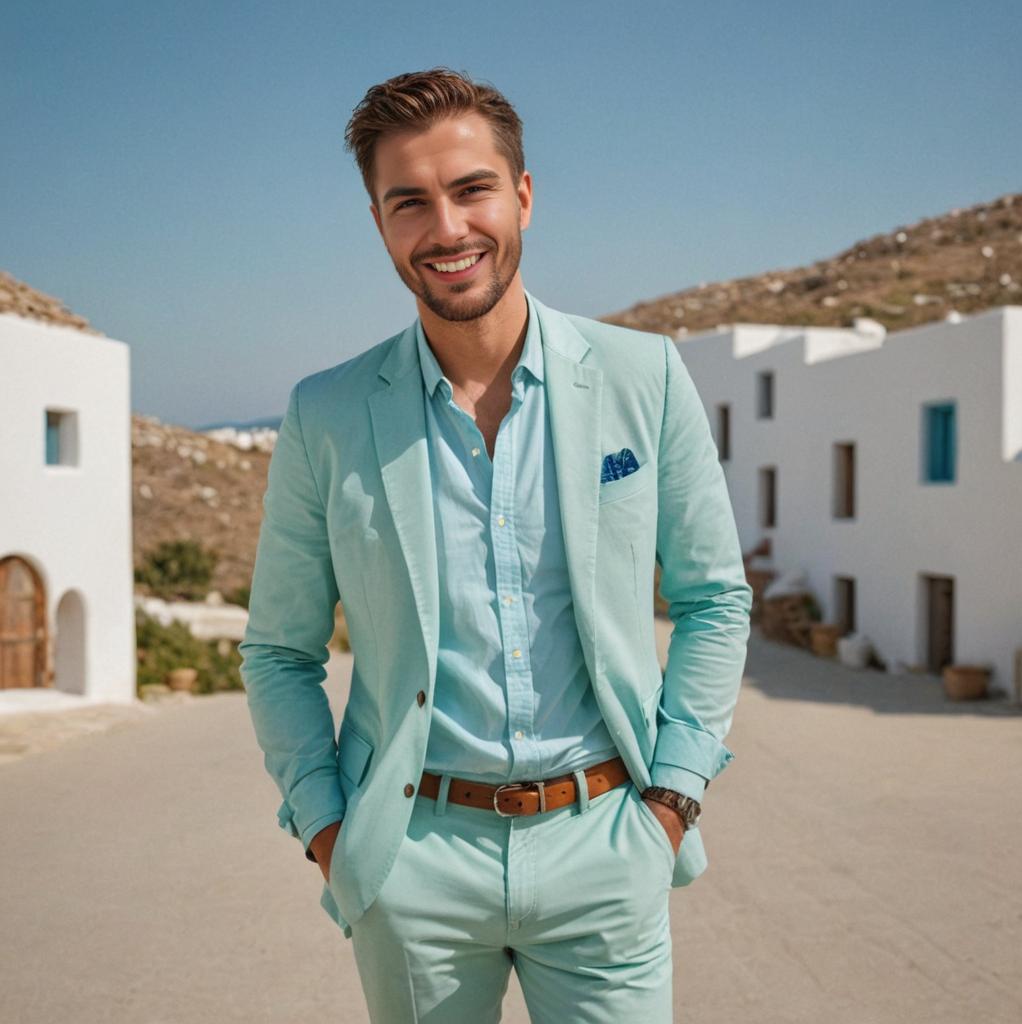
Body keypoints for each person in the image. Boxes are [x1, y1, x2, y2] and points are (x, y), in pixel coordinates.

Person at [239, 67, 752, 1023]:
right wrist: (328, 831)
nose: (446, 229)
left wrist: (672, 799)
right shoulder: (328, 413)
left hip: (608, 843)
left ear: (522, 194)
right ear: (380, 222)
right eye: (409, 203)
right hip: (413, 863)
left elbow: (715, 598)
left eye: (472, 189)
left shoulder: (644, 376)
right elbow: (278, 649)